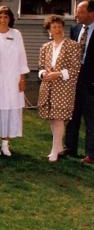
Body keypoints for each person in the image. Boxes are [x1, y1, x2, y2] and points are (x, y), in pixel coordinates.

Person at [38, 15, 81, 162]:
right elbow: (41, 66)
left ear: (63, 27)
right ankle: (59, 147)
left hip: (63, 87)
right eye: (53, 27)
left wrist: (58, 74)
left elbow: (75, 68)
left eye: (59, 26)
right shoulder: (45, 47)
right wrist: (43, 73)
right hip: (48, 86)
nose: (57, 29)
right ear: (49, 29)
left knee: (59, 118)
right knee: (52, 118)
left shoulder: (72, 45)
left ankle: (54, 151)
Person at [0, 6, 29, 156]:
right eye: (0, 17)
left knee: (10, 109)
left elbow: (21, 56)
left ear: (10, 19)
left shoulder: (16, 34)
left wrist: (22, 78)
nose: (3, 20)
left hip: (13, 78)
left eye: (6, 17)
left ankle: (5, 144)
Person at [65, 0, 94, 162]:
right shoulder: (75, 29)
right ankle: (70, 148)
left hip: (91, 83)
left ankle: (91, 154)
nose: (76, 15)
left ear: (91, 13)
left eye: (80, 12)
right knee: (72, 115)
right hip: (74, 80)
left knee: (91, 119)